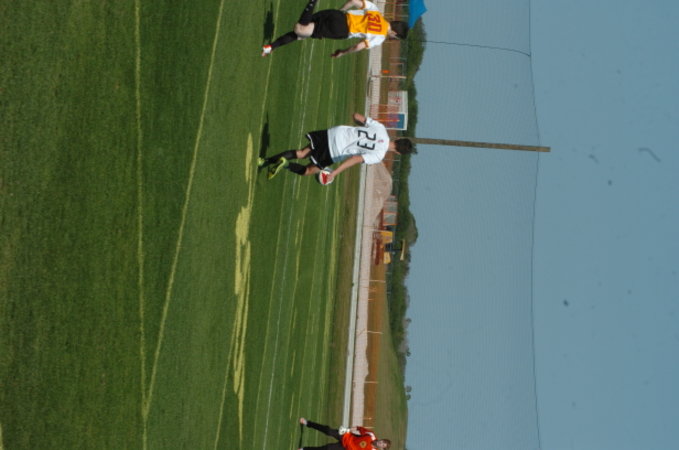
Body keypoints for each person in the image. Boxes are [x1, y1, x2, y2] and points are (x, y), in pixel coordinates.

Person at [258, 113, 414, 182]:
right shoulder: (379, 155)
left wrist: (359, 126)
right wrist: (335, 172)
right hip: (336, 150)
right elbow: (356, 158)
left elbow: (356, 116)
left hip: (334, 132)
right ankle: (285, 164)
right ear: (398, 153)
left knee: (301, 153)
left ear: (398, 138)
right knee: (308, 170)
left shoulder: (381, 129)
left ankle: (264, 161)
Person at [262, 0, 408, 58]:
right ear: (394, 33)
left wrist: (340, 12)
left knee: (301, 34)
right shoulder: (381, 37)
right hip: (341, 29)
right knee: (300, 29)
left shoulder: (376, 11)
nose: (392, 38)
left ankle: (270, 47)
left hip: (339, 15)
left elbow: (353, 1)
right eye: (395, 37)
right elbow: (359, 46)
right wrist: (343, 52)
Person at [298, 417, 391, 450]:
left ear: (382, 448)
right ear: (381, 439)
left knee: (325, 449)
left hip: (344, 448)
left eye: (383, 445)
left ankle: (304, 449)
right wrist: (347, 429)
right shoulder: (371, 435)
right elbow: (358, 428)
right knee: (328, 430)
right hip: (346, 436)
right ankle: (308, 423)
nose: (381, 443)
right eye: (383, 441)